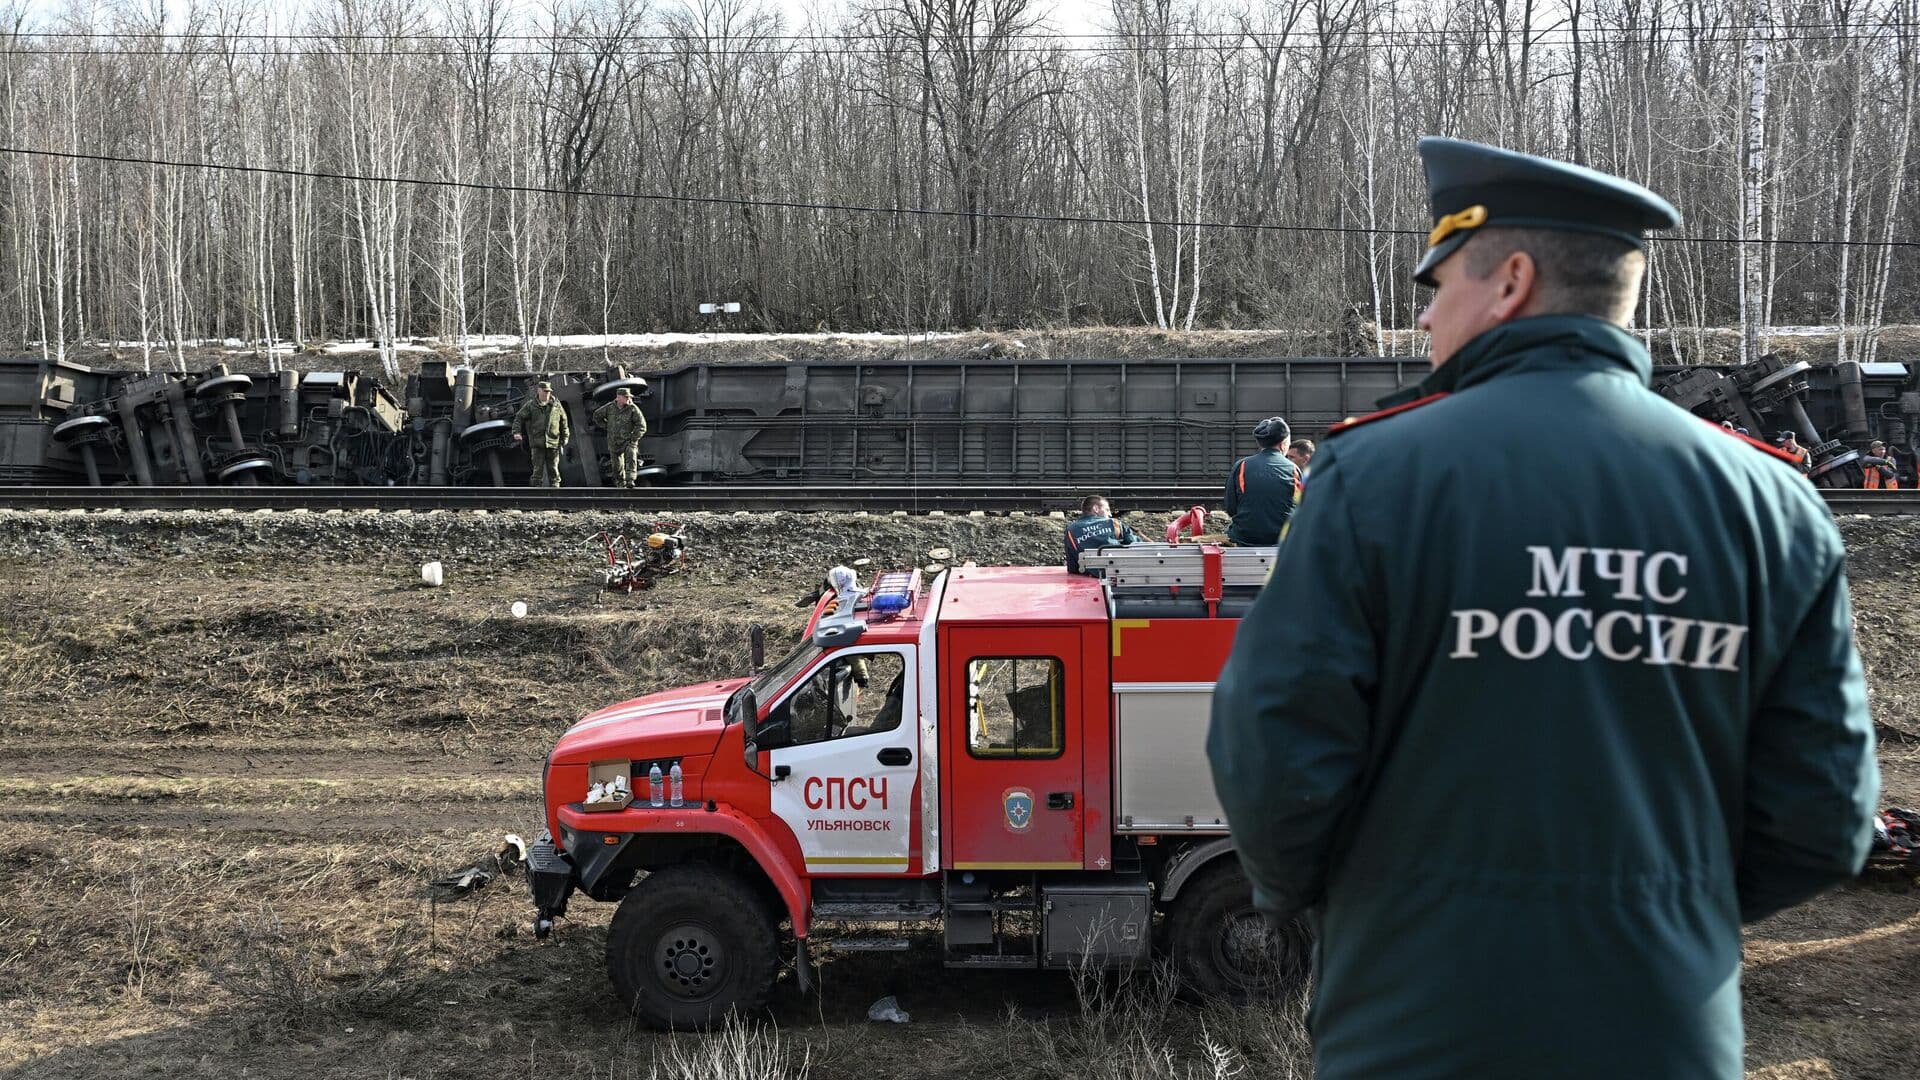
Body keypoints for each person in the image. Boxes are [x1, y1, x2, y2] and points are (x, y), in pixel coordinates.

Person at [1207, 137, 1877, 1080]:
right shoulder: (1771, 504)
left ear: (1510, 280)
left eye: (1437, 289)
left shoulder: (1376, 476)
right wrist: (1669, 908)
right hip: (1665, 1035)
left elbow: (1271, 749)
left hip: (1415, 1026)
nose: (1430, 320)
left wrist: (1345, 907)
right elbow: (1828, 814)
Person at [1222, 417, 1299, 545]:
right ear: (1283, 444)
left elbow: (1231, 507)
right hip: (1284, 538)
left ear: (1260, 443)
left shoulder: (1242, 465)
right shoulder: (1293, 469)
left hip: (1245, 538)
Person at [511, 380, 572, 488]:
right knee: (537, 469)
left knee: (553, 468)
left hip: (553, 442)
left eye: (548, 391)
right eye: (545, 391)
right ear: (539, 391)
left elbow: (564, 421)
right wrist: (516, 432)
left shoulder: (556, 405)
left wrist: (565, 436)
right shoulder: (531, 405)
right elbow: (519, 418)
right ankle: (537, 492)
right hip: (537, 443)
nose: (547, 393)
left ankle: (555, 490)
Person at [591, 386, 649, 488]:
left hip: (628, 440)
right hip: (614, 441)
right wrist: (607, 426)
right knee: (616, 465)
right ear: (619, 397)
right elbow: (596, 416)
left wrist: (634, 438)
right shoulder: (609, 408)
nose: (628, 399)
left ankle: (630, 480)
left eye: (629, 397)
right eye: (626, 397)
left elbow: (642, 425)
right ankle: (620, 483)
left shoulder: (632, 409)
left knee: (631, 455)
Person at [1064, 495, 1137, 574]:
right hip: (1120, 575)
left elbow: (1073, 568)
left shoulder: (1070, 530)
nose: (1110, 514)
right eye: (1107, 510)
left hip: (1089, 577)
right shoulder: (1114, 523)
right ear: (1096, 509)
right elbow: (1138, 547)